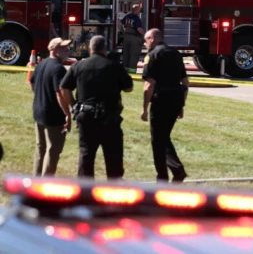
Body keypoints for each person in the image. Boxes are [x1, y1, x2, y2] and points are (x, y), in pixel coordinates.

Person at [59, 36, 133, 179]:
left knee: (86, 155)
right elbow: (128, 88)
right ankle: (114, 192)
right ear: (105, 48)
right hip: (109, 117)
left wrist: (74, 105)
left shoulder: (79, 66)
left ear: (90, 48)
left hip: (86, 116)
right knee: (113, 157)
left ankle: (85, 193)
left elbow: (64, 88)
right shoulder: (114, 66)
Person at [141, 28, 189, 183]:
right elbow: (185, 83)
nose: (145, 42)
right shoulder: (176, 54)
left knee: (157, 140)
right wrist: (181, 104)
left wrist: (144, 109)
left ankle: (163, 177)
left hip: (161, 100)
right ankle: (176, 170)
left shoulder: (152, 55)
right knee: (164, 137)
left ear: (153, 38)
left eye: (146, 39)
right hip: (175, 100)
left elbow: (149, 84)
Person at [29, 37, 72, 176]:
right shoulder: (58, 69)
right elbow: (61, 93)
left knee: (40, 147)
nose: (67, 50)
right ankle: (45, 183)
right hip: (53, 116)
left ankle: (36, 181)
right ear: (53, 49)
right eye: (63, 48)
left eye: (67, 47)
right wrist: (67, 114)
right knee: (53, 150)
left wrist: (40, 95)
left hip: (38, 111)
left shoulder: (41, 64)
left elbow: (31, 83)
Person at [121, 4, 145, 73]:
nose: (140, 10)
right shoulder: (136, 18)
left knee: (126, 54)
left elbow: (120, 23)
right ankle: (132, 72)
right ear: (136, 9)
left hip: (126, 37)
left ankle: (124, 72)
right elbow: (139, 29)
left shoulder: (127, 16)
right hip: (134, 38)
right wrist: (145, 35)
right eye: (139, 9)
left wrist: (123, 32)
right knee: (134, 55)